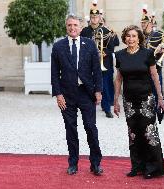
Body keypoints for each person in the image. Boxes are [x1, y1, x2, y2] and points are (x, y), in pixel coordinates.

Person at [51, 14, 103, 176]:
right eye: (69, 25)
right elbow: (54, 73)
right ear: (66, 27)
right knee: (70, 129)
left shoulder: (90, 44)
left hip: (86, 93)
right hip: (67, 94)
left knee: (90, 127)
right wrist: (58, 94)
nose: (72, 28)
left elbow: (97, 70)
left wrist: (98, 90)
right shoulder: (58, 46)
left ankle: (95, 164)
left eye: (75, 25)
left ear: (81, 28)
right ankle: (73, 163)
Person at [114, 25, 164, 179]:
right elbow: (118, 79)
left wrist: (160, 98)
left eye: (134, 36)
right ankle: (137, 166)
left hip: (146, 99)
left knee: (149, 133)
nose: (131, 39)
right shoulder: (120, 55)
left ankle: (153, 167)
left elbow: (155, 76)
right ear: (124, 38)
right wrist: (115, 100)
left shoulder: (147, 53)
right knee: (133, 134)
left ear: (139, 39)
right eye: (128, 36)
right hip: (129, 100)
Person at [80, 0, 116, 118]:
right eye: (92, 17)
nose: (94, 19)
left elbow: (111, 47)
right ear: (90, 18)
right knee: (90, 86)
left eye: (96, 16)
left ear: (100, 17)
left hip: (103, 62)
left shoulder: (106, 31)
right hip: (89, 63)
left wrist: (103, 53)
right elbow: (81, 46)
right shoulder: (85, 31)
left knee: (104, 86)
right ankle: (90, 107)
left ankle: (107, 109)